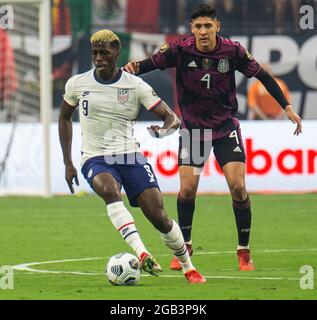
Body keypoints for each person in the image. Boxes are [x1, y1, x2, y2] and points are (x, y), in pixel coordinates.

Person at [124, 4, 302, 271]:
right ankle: (184, 246)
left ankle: (244, 251)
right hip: (194, 131)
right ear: (192, 28)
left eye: (208, 26)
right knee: (187, 189)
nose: (203, 31)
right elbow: (146, 65)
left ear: (217, 26)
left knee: (238, 186)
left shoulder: (233, 51)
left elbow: (263, 75)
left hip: (224, 129)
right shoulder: (179, 50)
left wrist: (286, 106)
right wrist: (130, 69)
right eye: (198, 27)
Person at [58, 29, 206, 283]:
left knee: (158, 216)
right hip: (95, 157)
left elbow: (172, 119)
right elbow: (63, 118)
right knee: (109, 190)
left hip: (129, 157)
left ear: (117, 52)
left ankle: (188, 266)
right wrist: (68, 162)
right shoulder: (77, 83)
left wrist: (162, 132)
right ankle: (142, 252)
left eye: (104, 53)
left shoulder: (135, 85)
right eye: (95, 53)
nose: (98, 58)